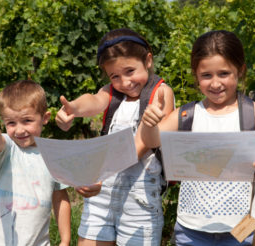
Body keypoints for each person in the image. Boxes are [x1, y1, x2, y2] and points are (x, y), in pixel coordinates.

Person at [139, 30, 255, 245]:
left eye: (224, 74)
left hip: (242, 231)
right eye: (206, 75)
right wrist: (148, 123)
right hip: (190, 231)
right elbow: (151, 140)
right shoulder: (186, 115)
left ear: (240, 71)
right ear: (196, 75)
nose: (215, 83)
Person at [55, 28, 175, 246]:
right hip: (102, 191)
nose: (125, 82)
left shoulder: (160, 93)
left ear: (148, 60)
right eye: (115, 76)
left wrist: (101, 172)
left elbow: (143, 143)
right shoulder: (112, 93)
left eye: (130, 71)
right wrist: (73, 108)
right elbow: (93, 100)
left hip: (140, 198)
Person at [0, 80, 71, 246]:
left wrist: (65, 240)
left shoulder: (53, 156)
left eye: (27, 121)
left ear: (45, 118)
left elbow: (60, 198)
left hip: (38, 242)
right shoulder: (8, 147)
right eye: (11, 123)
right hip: (0, 242)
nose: (19, 130)